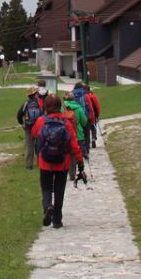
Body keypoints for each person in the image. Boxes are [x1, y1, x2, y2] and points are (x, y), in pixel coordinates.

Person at [31, 94, 85, 229]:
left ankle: (47, 206)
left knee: (46, 187)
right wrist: (80, 161)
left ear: (46, 107)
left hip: (45, 162)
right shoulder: (66, 123)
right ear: (60, 106)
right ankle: (57, 219)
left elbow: (33, 133)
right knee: (59, 190)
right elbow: (74, 144)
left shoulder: (41, 121)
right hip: (63, 162)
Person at [16, 84, 45, 169]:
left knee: (29, 145)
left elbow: (19, 115)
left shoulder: (25, 104)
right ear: (35, 94)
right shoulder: (39, 103)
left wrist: (22, 123)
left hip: (28, 127)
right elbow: (43, 114)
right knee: (39, 145)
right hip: (38, 127)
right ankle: (40, 163)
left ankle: (29, 165)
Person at [62, 89, 88, 180]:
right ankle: (81, 172)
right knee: (78, 154)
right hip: (78, 134)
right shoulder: (79, 108)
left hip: (65, 135)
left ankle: (71, 174)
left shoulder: (62, 108)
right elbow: (84, 122)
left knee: (68, 155)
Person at [82, 82, 101, 148]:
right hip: (93, 115)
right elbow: (97, 106)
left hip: (85, 115)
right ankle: (93, 138)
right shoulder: (93, 96)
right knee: (93, 127)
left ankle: (88, 141)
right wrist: (98, 115)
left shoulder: (83, 97)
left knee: (87, 128)